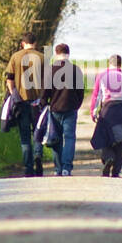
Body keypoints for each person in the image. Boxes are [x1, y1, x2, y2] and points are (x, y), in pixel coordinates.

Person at [89, 54, 122, 177]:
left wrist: (93, 112)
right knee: (121, 142)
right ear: (120, 64)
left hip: (107, 110)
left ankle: (108, 158)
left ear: (109, 63)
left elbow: (97, 96)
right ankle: (116, 172)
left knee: (106, 140)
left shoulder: (101, 76)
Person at [4, 32, 46, 176]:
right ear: (36, 43)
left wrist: (13, 93)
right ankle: (38, 155)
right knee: (38, 132)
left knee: (24, 136)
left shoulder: (16, 57)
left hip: (21, 102)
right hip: (38, 102)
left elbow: (9, 79)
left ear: (23, 43)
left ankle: (28, 168)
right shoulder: (42, 58)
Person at [42, 43, 85, 176]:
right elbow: (80, 91)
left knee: (56, 138)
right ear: (68, 54)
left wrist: (45, 104)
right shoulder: (75, 69)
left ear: (56, 53)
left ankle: (58, 168)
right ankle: (67, 167)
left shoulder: (50, 70)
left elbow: (45, 92)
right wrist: (77, 104)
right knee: (70, 137)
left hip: (54, 108)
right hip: (71, 108)